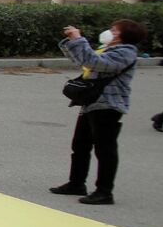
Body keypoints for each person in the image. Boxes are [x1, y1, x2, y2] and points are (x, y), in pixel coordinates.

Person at [50, 20, 141, 205]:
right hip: (92, 103)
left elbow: (94, 62)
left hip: (108, 105)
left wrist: (79, 39)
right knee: (80, 145)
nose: (110, 32)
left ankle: (104, 191)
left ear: (122, 35)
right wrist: (71, 41)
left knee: (105, 149)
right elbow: (82, 61)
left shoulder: (126, 52)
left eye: (114, 30)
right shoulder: (108, 49)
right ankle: (76, 183)